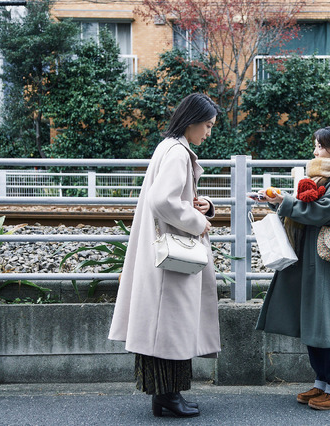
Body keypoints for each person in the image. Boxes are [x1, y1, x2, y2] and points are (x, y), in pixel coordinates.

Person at [108, 93, 221, 418]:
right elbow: (163, 200)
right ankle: (168, 398)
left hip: (161, 254)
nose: (208, 133)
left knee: (164, 327)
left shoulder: (167, 147)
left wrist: (204, 206)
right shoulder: (177, 153)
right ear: (193, 121)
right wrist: (199, 222)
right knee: (171, 327)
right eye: (207, 125)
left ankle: (165, 396)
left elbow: (170, 198)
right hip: (172, 259)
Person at [255, 125, 330, 410]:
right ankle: (323, 384)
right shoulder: (321, 174)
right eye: (315, 145)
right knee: (316, 320)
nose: (314, 151)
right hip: (312, 255)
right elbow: (309, 207)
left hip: (329, 257)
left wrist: (284, 201)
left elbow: (319, 211)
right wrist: (279, 200)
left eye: (320, 147)